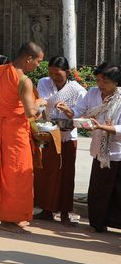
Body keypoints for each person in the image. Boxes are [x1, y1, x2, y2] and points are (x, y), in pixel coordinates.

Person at [0, 42, 45, 233]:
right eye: (38, 61)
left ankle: (14, 214)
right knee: (17, 174)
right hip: (15, 132)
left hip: (0, 127)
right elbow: (31, 112)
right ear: (28, 58)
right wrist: (41, 103)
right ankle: (9, 219)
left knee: (2, 171)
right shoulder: (24, 80)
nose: (38, 66)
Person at [62, 62, 121, 232]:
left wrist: (105, 128)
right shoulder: (93, 92)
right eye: (98, 80)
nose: (100, 85)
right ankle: (98, 223)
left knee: (117, 192)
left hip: (117, 152)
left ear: (116, 82)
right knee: (98, 190)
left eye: (105, 81)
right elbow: (79, 111)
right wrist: (69, 112)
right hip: (99, 151)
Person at [33, 56, 86, 225]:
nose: (54, 77)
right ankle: (46, 209)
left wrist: (68, 111)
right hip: (48, 133)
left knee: (66, 174)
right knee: (46, 172)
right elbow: (42, 103)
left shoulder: (77, 90)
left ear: (67, 72)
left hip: (67, 136)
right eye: (51, 73)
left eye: (57, 73)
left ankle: (64, 212)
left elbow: (81, 113)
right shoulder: (43, 82)